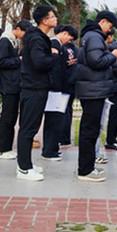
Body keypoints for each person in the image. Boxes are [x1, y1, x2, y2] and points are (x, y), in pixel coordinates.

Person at [76, 10, 117, 182]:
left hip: (91, 88)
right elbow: (96, 61)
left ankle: (87, 167)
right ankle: (85, 170)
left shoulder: (89, 36)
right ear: (103, 21)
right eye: (110, 26)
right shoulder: (95, 37)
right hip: (93, 89)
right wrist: (112, 55)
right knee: (90, 130)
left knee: (89, 129)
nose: (110, 30)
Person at [15, 6, 58, 181]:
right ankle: (24, 168)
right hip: (33, 88)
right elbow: (40, 62)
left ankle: (27, 164)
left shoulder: (37, 38)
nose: (56, 19)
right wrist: (54, 55)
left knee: (30, 128)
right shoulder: (36, 39)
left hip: (36, 86)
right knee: (28, 128)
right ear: (44, 21)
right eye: (53, 16)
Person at [0, 20, 30, 159]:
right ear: (17, 29)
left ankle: (7, 147)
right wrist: (18, 60)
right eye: (24, 33)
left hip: (13, 84)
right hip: (7, 84)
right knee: (7, 118)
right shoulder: (5, 41)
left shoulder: (13, 41)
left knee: (12, 117)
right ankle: (1, 148)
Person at [41, 24, 77, 161]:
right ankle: (49, 150)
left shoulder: (59, 45)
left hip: (59, 88)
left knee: (57, 119)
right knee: (53, 120)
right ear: (64, 33)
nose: (70, 42)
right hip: (56, 89)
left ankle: (53, 147)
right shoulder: (54, 44)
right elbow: (55, 69)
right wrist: (58, 87)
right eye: (70, 38)